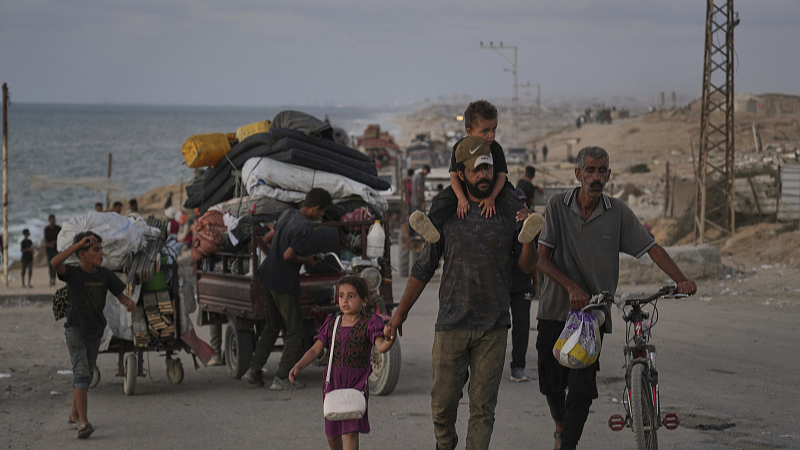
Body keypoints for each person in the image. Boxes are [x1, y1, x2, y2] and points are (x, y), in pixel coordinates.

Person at [535, 146, 697, 450]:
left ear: (609, 174)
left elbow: (651, 248)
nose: (596, 177)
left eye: (602, 171)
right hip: (555, 309)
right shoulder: (557, 206)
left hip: (592, 316)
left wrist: (681, 280)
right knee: (551, 385)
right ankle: (559, 424)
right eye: (590, 170)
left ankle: (567, 444)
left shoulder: (617, 212)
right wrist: (572, 287)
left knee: (581, 391)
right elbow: (542, 261)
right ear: (578, 174)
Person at [385, 138, 542, 450]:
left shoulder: (507, 213)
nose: (482, 175)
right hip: (451, 324)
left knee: (483, 409)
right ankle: (445, 444)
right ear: (462, 174)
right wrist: (400, 313)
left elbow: (525, 267)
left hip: (494, 326)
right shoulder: (447, 216)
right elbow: (423, 266)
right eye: (475, 170)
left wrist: (529, 239)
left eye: (487, 168)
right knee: (442, 405)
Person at [289, 276, 396, 450]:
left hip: (356, 383)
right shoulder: (332, 323)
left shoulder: (370, 323)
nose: (345, 300)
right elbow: (315, 350)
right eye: (341, 295)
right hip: (332, 382)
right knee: (332, 435)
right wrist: (299, 366)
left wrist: (390, 339)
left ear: (364, 301)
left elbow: (382, 346)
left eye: (351, 296)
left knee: (350, 432)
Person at [243, 188, 333, 390]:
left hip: (266, 274)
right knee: (295, 331)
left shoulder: (287, 214)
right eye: (322, 212)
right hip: (284, 281)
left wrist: (274, 255)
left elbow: (267, 238)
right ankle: (282, 378)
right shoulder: (305, 228)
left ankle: (254, 370)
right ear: (315, 209)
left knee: (272, 325)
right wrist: (307, 260)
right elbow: (288, 255)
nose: (321, 216)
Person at [52, 231, 137, 439]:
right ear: (82, 254)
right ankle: (83, 423)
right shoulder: (73, 274)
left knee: (87, 375)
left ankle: (74, 414)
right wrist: (77, 244)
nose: (101, 254)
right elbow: (55, 262)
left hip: (95, 331)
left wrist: (128, 302)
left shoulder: (105, 274)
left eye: (101, 249)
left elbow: (121, 295)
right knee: (81, 373)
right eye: (95, 250)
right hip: (75, 330)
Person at [409, 99, 520, 244]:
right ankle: (431, 224)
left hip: (493, 186)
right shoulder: (460, 148)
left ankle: (523, 224)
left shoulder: (495, 148)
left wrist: (492, 197)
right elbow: (454, 176)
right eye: (485, 131)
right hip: (466, 186)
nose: (491, 135)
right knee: (443, 199)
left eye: (494, 129)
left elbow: (501, 176)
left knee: (509, 196)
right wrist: (461, 198)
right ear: (470, 131)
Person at [44, 214, 62, 286]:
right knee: (50, 264)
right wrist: (49, 244)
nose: (52, 221)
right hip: (49, 249)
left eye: (53, 219)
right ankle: (51, 278)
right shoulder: (46, 229)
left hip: (56, 248)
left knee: (55, 264)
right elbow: (45, 239)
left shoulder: (58, 228)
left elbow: (61, 238)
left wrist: (55, 242)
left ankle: (53, 279)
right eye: (51, 219)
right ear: (49, 220)